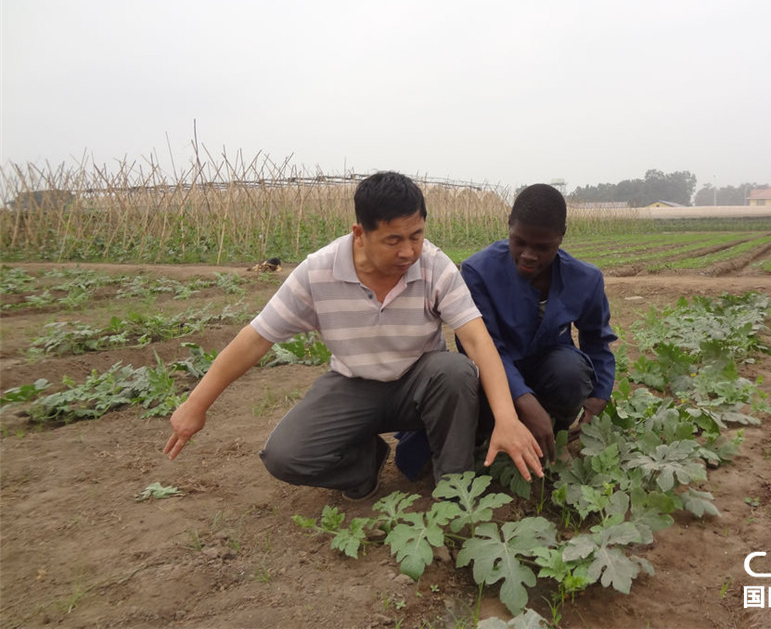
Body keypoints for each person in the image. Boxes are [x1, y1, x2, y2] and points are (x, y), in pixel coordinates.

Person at [164, 172, 543, 499]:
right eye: (394, 240)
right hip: (353, 384)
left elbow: (477, 339)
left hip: (420, 383)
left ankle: (456, 490)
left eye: (417, 235)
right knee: (286, 455)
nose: (409, 251)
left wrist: (506, 417)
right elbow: (256, 338)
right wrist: (197, 405)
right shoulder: (318, 273)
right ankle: (365, 466)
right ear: (360, 234)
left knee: (456, 370)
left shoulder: (433, 264)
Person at [459, 184, 617, 463]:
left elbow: (596, 341)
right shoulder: (478, 271)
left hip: (549, 372)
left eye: (543, 247)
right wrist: (523, 399)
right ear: (509, 225)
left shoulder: (585, 279)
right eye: (519, 242)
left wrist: (600, 394)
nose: (529, 255)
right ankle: (493, 434)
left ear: (561, 236)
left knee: (570, 370)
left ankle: (555, 433)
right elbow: (487, 348)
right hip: (494, 378)